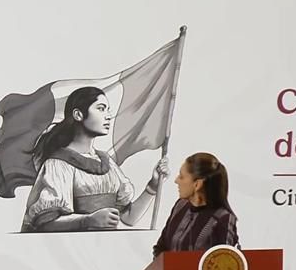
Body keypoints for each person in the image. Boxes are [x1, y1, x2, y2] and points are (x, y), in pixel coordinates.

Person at [19, 86, 167, 233]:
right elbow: (45, 224)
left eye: (108, 110)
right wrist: (88, 220)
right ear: (78, 115)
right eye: (101, 109)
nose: (108, 116)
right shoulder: (58, 164)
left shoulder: (107, 163)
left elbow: (129, 218)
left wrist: (153, 186)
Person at [152, 152, 240, 257]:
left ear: (197, 184)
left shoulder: (223, 218)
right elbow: (161, 248)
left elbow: (225, 260)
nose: (176, 181)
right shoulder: (180, 206)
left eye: (181, 177)